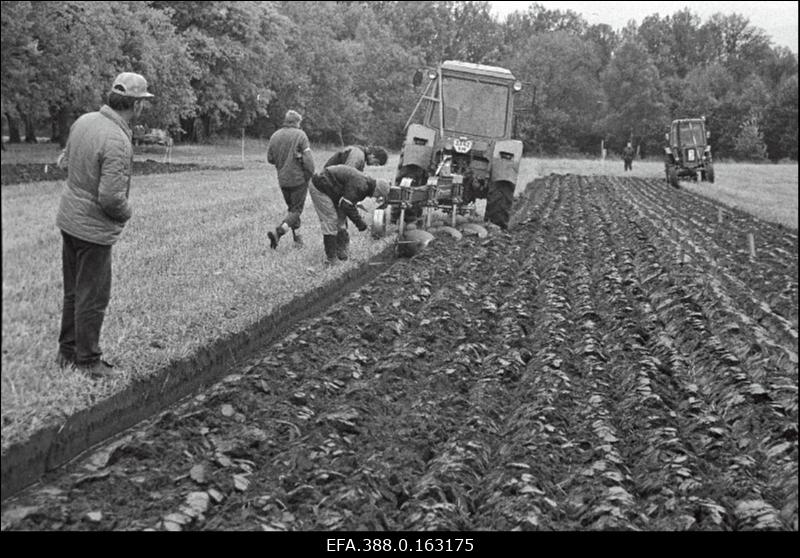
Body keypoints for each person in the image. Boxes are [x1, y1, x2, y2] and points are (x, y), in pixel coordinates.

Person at [55, 72, 154, 379]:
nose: (144, 109)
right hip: (92, 230)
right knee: (93, 296)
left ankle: (67, 352)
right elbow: (111, 198)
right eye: (143, 104)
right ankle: (88, 361)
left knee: (74, 291)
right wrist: (128, 211)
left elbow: (65, 162)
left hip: (69, 220)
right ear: (135, 106)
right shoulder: (117, 140)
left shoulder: (84, 121)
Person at [309, 164, 391, 266]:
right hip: (320, 187)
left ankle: (341, 253)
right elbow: (346, 205)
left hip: (332, 188)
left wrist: (358, 220)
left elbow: (346, 204)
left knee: (341, 219)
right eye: (378, 196)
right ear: (377, 190)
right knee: (331, 220)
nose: (376, 198)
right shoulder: (362, 186)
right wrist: (360, 223)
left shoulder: (365, 184)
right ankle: (331, 258)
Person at [266, 110, 315, 249]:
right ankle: (279, 232)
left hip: (283, 180)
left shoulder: (275, 136)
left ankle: (298, 240)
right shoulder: (300, 135)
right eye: (299, 123)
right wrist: (310, 175)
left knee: (292, 210)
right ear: (296, 122)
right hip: (298, 179)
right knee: (296, 210)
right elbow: (309, 161)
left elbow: (270, 159)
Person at [324, 144, 388, 171]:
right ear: (373, 154)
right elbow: (347, 174)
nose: (374, 165)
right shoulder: (358, 155)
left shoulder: (361, 154)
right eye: (376, 162)